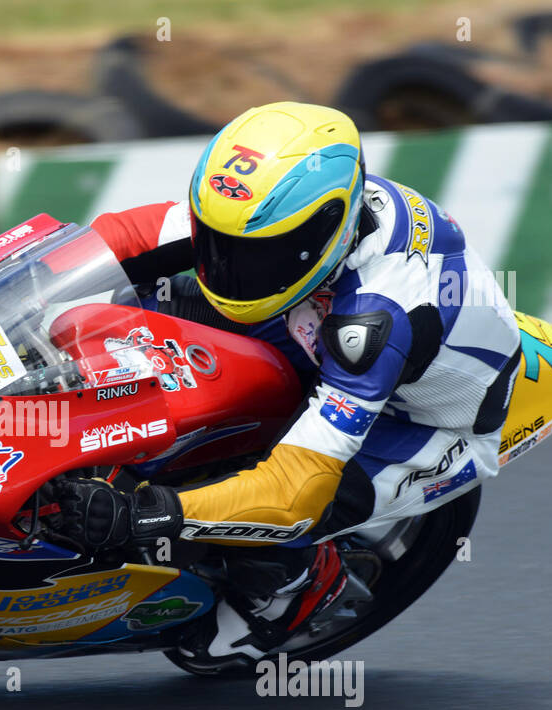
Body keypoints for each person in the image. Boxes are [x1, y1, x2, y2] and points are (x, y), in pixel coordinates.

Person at [51, 101, 521, 671]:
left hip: (420, 422)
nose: (224, 264)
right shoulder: (274, 218)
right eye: (217, 241)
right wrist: (32, 283)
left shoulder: (374, 319)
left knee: (269, 510)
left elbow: (296, 490)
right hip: (312, 316)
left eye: (250, 253)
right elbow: (127, 237)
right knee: (143, 306)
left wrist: (146, 513)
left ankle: (294, 592)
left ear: (324, 232)